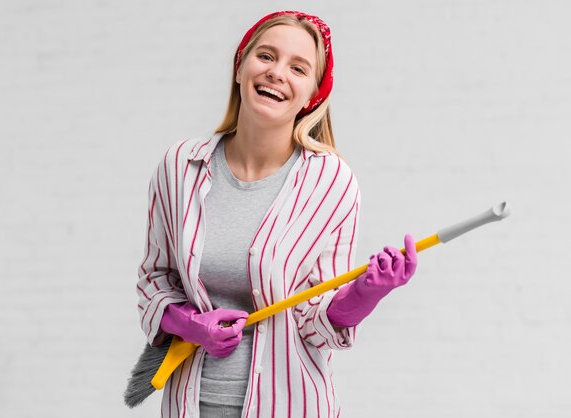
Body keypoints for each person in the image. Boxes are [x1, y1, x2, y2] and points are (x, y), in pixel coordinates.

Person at [136, 10, 418, 418]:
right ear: (240, 66)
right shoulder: (179, 167)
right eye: (266, 56)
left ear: (312, 95)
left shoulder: (332, 181)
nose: (276, 73)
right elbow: (153, 281)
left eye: (298, 68)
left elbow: (317, 320)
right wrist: (194, 326)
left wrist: (368, 291)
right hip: (189, 407)